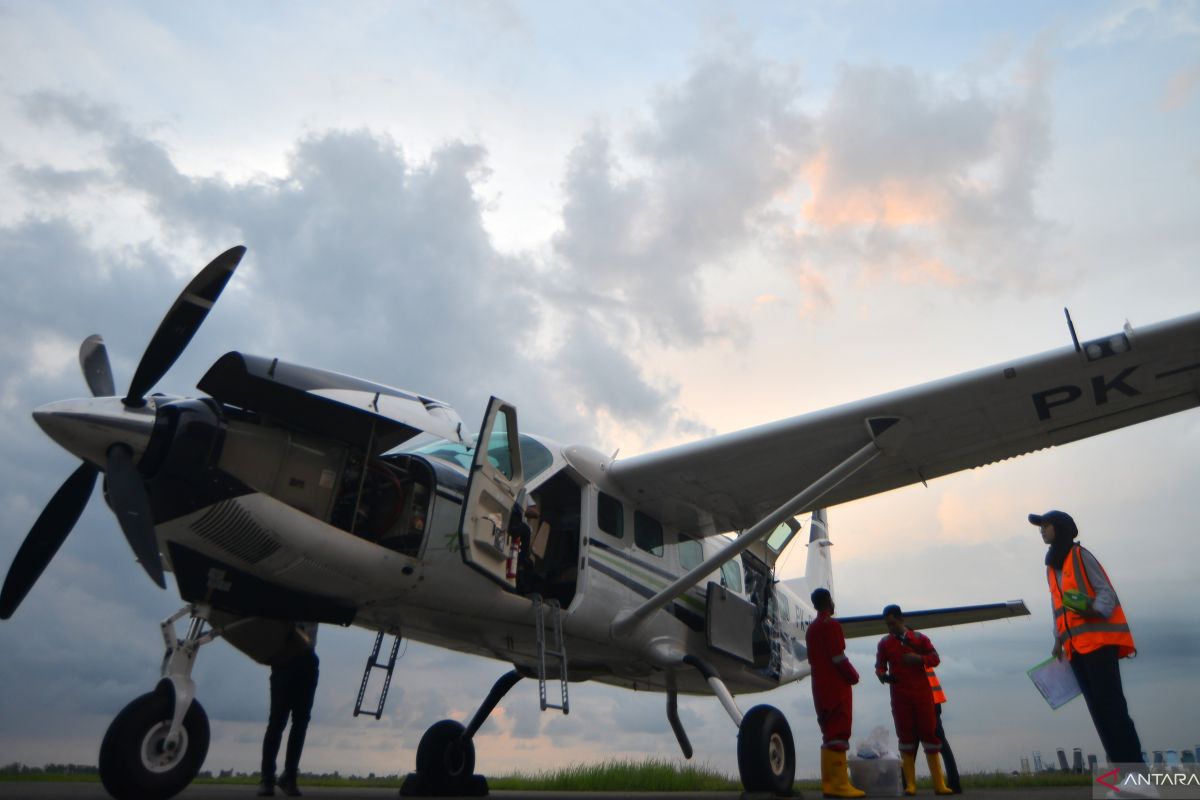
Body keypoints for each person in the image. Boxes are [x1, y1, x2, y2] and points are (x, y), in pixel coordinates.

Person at [1030, 511, 1146, 771]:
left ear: (1060, 528)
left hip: (1099, 645)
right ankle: (1126, 777)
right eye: (1040, 527)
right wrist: (1058, 639)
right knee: (1100, 714)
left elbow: (1106, 593)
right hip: (1075, 649)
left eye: (1046, 525)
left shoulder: (1080, 556)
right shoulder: (1052, 567)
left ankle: (1139, 778)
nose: (1042, 530)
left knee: (1113, 711)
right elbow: (1057, 606)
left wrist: (1093, 608)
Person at [876, 605, 953, 796]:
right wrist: (883, 676)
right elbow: (879, 665)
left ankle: (939, 784)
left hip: (922, 695)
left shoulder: (919, 638)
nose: (890, 628)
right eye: (888, 625)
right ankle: (910, 784)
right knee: (905, 738)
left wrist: (918, 659)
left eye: (893, 624)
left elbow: (935, 658)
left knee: (930, 736)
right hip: (900, 696)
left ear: (901, 620)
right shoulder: (884, 643)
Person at [806, 588, 866, 798]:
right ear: (829, 602)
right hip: (835, 685)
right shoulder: (831, 626)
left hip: (819, 686)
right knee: (839, 730)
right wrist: (853, 676)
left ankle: (829, 784)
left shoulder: (811, 629)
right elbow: (838, 656)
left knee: (828, 732)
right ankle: (840, 784)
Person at [259, 622, 320, 797]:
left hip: (305, 657)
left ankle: (288, 776)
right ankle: (268, 778)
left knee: (299, 722)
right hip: (285, 656)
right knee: (278, 721)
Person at [926, 667, 962, 793]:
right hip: (933, 703)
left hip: (926, 704)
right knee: (942, 745)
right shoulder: (924, 660)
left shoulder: (913, 659)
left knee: (910, 746)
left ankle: (906, 785)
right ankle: (954, 783)